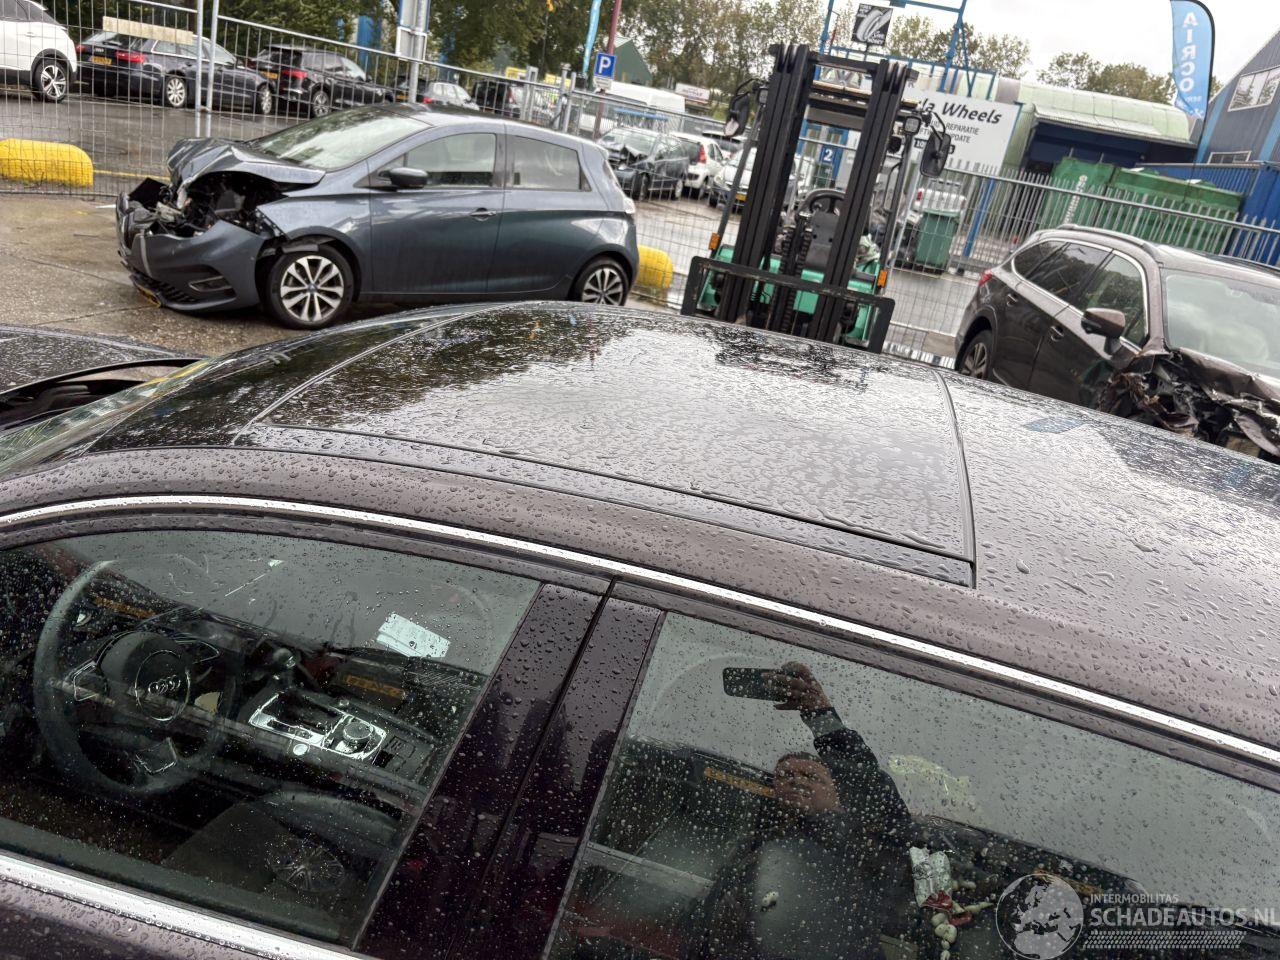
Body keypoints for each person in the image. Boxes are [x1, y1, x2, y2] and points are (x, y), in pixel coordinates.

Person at [685, 662, 912, 960]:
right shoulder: (752, 837)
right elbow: (711, 917)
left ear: (839, 795)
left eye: (811, 776)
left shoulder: (865, 844)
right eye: (786, 775)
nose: (797, 781)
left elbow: (877, 794)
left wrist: (822, 717)